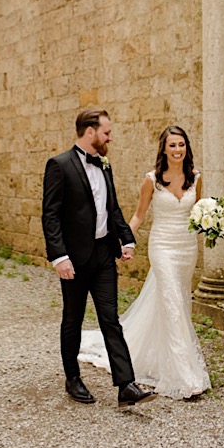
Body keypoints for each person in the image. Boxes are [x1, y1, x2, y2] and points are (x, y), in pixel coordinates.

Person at [78, 126, 211, 400]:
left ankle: (161, 358)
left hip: (186, 249)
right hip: (161, 247)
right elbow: (138, 216)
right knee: (172, 301)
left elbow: (199, 214)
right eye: (172, 145)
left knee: (178, 304)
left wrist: (213, 224)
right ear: (164, 149)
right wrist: (122, 241)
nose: (177, 150)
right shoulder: (152, 179)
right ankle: (185, 377)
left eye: (182, 145)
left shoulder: (196, 178)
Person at [41, 108, 156, 407]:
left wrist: (125, 240)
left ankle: (125, 385)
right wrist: (59, 257)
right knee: (73, 319)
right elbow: (50, 215)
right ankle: (72, 378)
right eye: (106, 132)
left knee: (110, 319)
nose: (110, 137)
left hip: (104, 254)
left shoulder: (104, 164)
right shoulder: (59, 165)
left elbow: (112, 208)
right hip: (74, 260)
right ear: (90, 132)